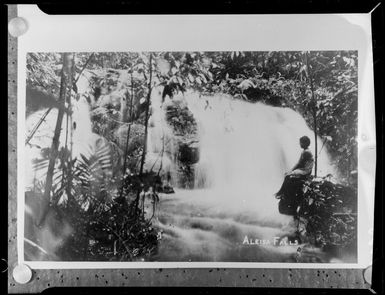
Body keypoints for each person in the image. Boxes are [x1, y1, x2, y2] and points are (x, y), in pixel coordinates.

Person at [275, 136, 314, 211]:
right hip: (304, 169)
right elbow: (299, 164)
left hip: (305, 170)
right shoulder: (305, 151)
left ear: (305, 143)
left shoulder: (306, 153)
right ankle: (283, 192)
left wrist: (291, 171)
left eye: (301, 142)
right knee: (288, 175)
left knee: (288, 176)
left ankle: (282, 192)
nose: (300, 144)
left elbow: (299, 164)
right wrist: (291, 171)